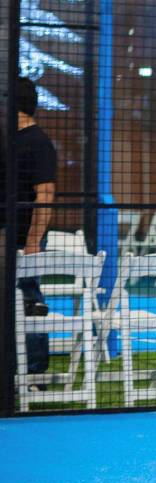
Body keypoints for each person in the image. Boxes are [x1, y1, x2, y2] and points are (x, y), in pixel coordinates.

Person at [0, 77, 56, 384]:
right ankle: (14, 367)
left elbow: (45, 193)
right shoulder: (12, 141)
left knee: (30, 299)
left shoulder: (38, 142)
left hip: (26, 239)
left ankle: (35, 370)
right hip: (8, 236)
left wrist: (34, 240)